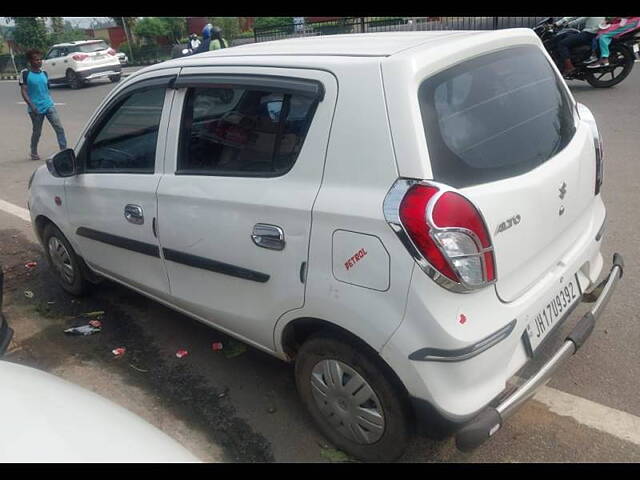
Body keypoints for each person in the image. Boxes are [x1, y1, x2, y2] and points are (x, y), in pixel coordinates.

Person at [19, 49, 67, 161]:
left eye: (40, 59)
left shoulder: (44, 73)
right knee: (37, 131)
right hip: (35, 109)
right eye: (36, 60)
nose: (39, 61)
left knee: (59, 127)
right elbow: (24, 91)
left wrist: (49, 100)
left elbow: (46, 89)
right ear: (30, 61)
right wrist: (32, 105)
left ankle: (64, 149)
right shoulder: (25, 73)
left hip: (48, 105)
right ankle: (33, 151)